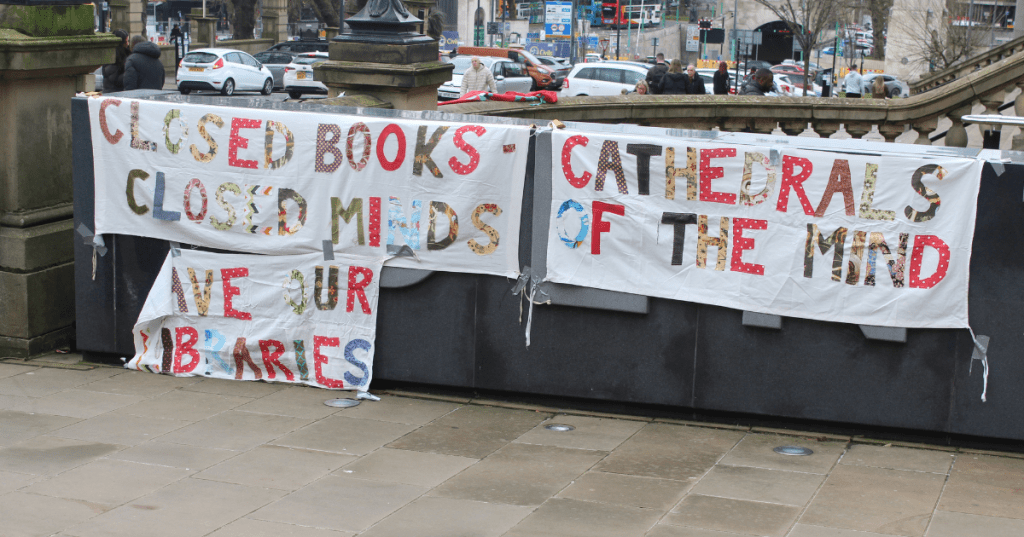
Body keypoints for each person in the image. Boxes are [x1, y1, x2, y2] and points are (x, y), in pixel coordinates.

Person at [101, 29, 130, 93]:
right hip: (112, 92)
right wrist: (129, 74)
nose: (127, 44)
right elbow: (113, 78)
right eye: (126, 42)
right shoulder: (112, 57)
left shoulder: (124, 53)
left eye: (128, 41)